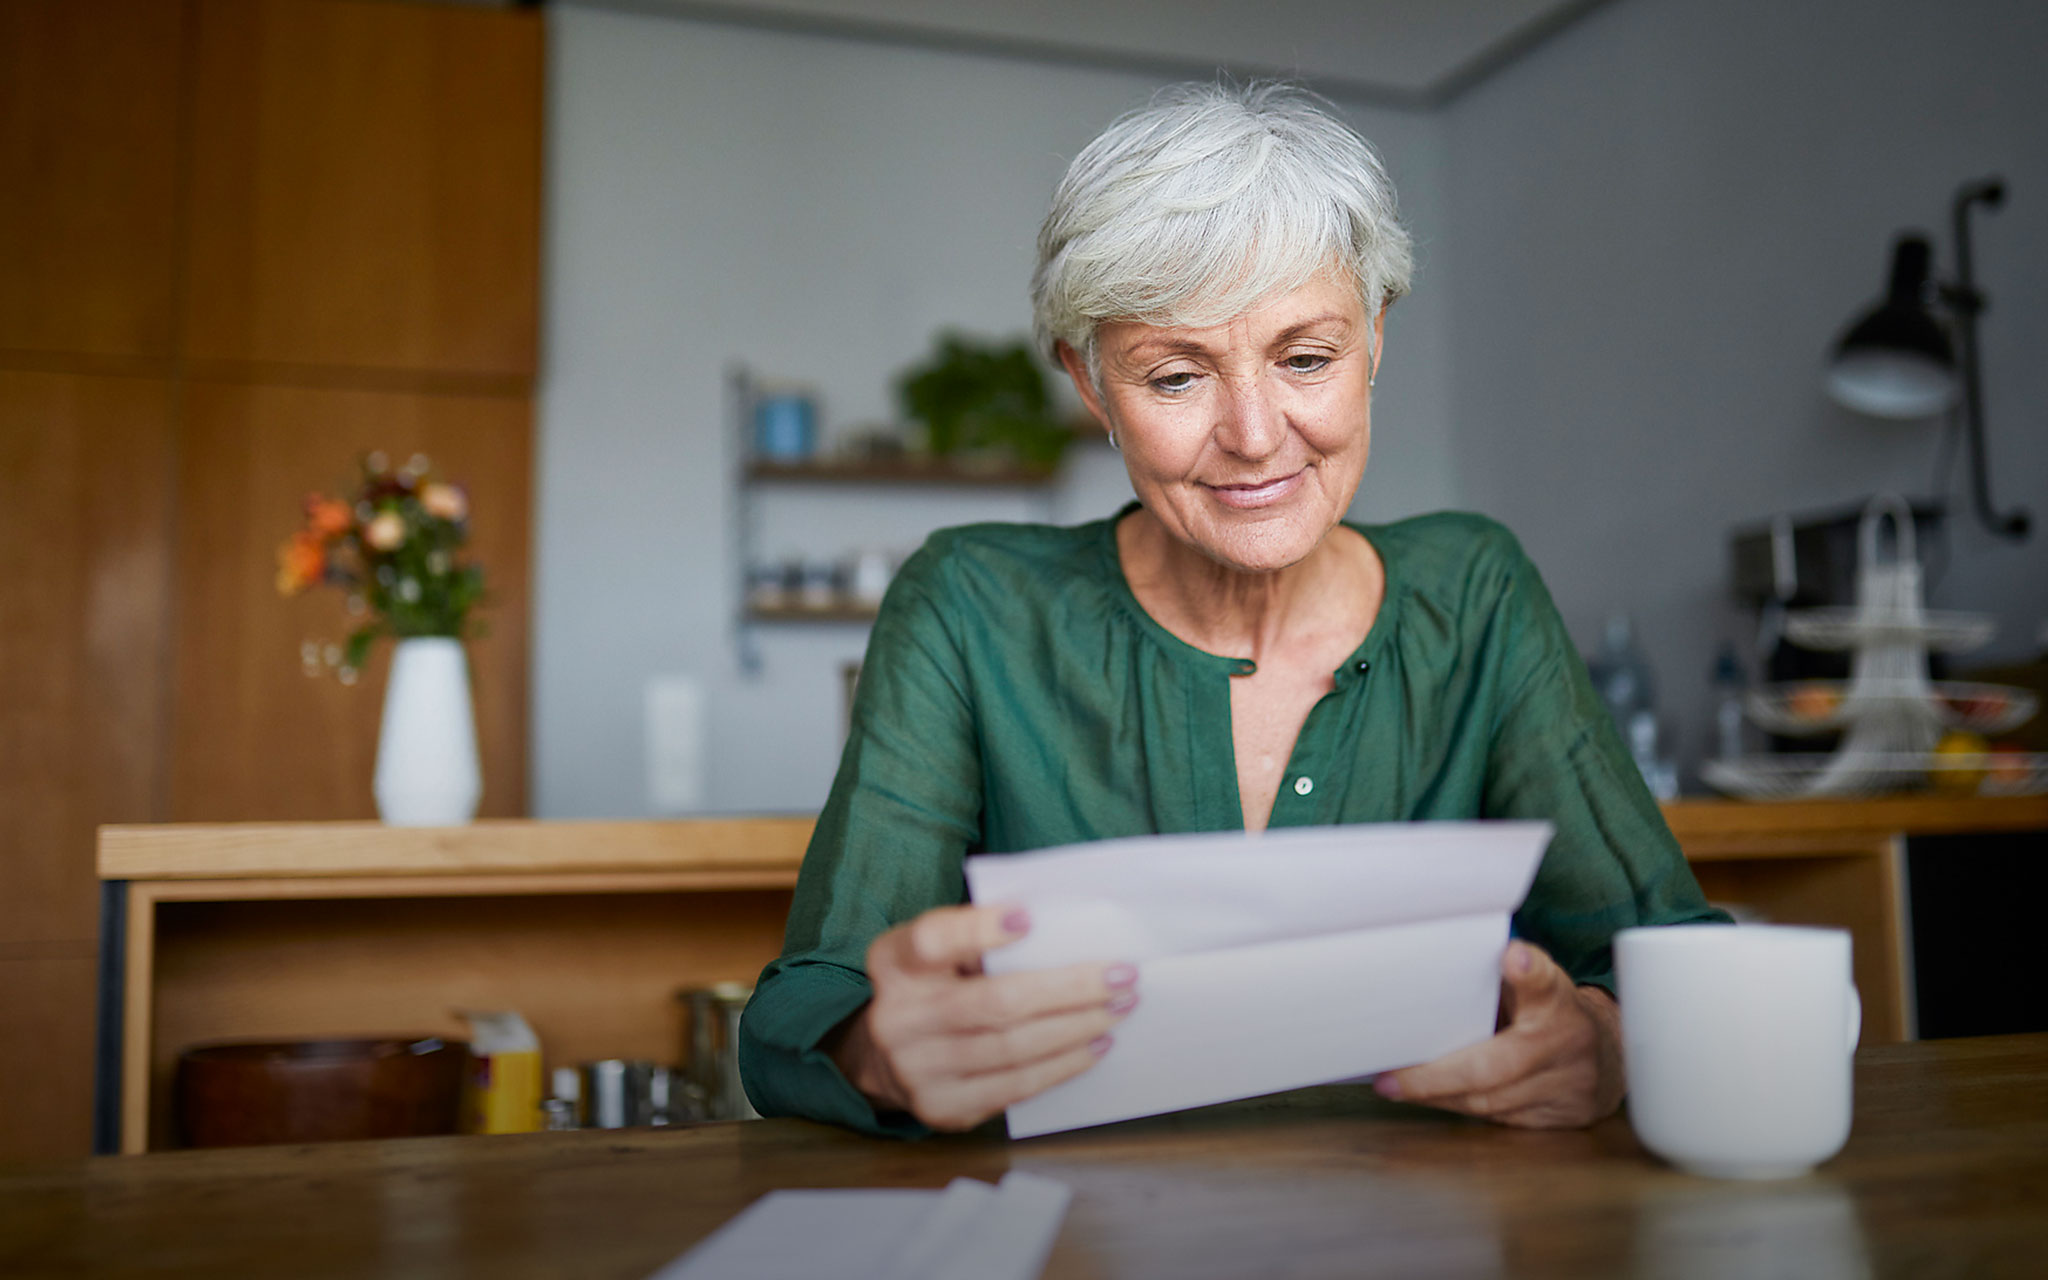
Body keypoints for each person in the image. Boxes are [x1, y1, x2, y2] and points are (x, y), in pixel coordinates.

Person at [738, 82, 1725, 1138]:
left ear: (1375, 338)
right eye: (1174, 376)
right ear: (1087, 382)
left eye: (1306, 358)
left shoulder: (1474, 591)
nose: (1255, 434)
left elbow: (1667, 948)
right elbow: (803, 1008)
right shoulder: (968, 606)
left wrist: (1605, 1041)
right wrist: (876, 1048)